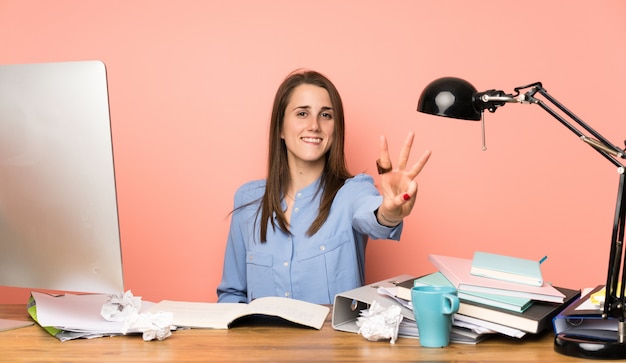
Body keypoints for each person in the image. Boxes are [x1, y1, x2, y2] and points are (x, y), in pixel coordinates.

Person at [217, 69, 431, 304]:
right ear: (280, 128)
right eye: (302, 113)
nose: (314, 125)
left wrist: (389, 213)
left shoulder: (353, 192)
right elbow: (232, 294)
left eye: (326, 115)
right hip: (263, 342)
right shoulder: (248, 199)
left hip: (333, 341)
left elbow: (372, 215)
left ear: (335, 129)